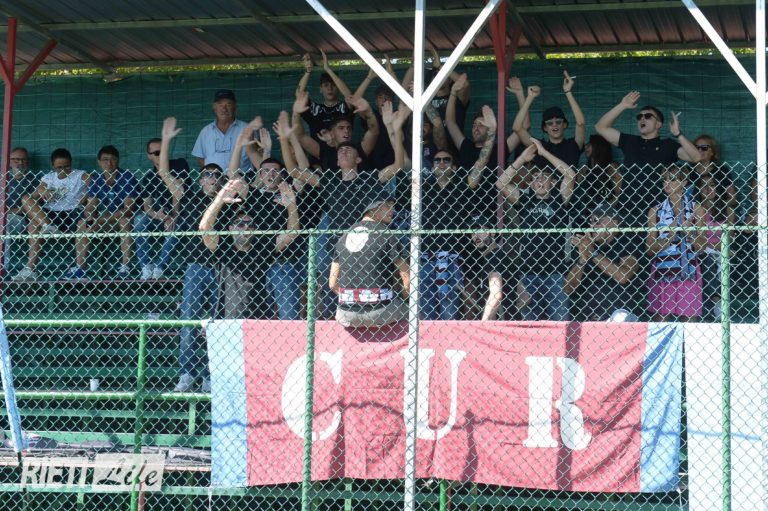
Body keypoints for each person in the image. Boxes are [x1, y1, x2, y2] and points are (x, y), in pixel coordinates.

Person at [496, 139, 576, 321]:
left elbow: (570, 175)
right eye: (535, 177)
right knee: (531, 325)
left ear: (553, 182)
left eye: (545, 176)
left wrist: (544, 152)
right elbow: (501, 183)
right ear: (531, 183)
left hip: (555, 273)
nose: (539, 180)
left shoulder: (559, 199)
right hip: (528, 272)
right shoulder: (525, 201)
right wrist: (522, 159)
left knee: (560, 322)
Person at [594, 91, 701, 226]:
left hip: (659, 210)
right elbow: (600, 127)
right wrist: (622, 105)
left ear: (658, 124)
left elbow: (696, 157)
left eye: (648, 116)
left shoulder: (668, 145)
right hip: (629, 209)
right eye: (639, 117)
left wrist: (678, 134)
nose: (642, 119)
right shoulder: (629, 141)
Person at [330, 198, 409, 328]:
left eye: (393, 206)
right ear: (372, 209)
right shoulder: (386, 234)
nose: (392, 210)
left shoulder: (343, 236)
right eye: (387, 206)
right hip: (381, 311)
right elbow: (407, 276)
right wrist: (404, 298)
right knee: (415, 312)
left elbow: (332, 284)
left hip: (345, 314)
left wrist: (357, 299)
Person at [646, 165, 707, 322]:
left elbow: (701, 248)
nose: (667, 183)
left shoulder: (696, 208)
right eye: (664, 180)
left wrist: (689, 232)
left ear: (684, 182)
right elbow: (650, 249)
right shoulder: (655, 210)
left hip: (689, 268)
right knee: (661, 320)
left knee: (689, 320)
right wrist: (670, 236)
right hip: (663, 267)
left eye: (672, 179)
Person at [18, 148, 89, 281]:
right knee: (27, 204)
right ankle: (30, 269)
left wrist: (86, 195)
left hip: (72, 212)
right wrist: (42, 190)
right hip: (50, 214)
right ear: (53, 166)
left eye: (67, 166)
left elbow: (96, 186)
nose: (63, 170)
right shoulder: (49, 177)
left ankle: (80, 268)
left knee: (83, 222)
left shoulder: (80, 175)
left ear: (71, 163)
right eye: (59, 167)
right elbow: (33, 196)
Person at [418, 149, 472, 320]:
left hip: (451, 258)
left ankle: (449, 337)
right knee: (426, 312)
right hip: (426, 257)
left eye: (446, 160)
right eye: (437, 160)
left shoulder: (461, 187)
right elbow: (405, 165)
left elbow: (479, 166)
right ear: (432, 167)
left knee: (449, 312)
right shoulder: (423, 188)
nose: (441, 163)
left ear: (454, 167)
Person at [565, 203, 642, 321]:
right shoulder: (585, 245)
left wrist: (593, 253)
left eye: (597, 221)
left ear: (614, 223)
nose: (592, 225)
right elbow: (568, 289)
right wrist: (582, 260)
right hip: (587, 316)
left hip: (618, 316)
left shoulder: (628, 243)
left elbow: (623, 276)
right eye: (591, 221)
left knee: (620, 317)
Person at [75, 145, 139, 280]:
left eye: (113, 159)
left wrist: (100, 220)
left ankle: (125, 268)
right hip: (108, 219)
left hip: (130, 219)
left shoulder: (127, 177)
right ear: (99, 162)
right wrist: (91, 219)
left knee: (124, 220)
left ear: (118, 161)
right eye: (105, 160)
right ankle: (80, 269)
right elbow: (90, 206)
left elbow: (128, 209)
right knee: (82, 223)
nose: (109, 163)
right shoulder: (97, 179)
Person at [134, 137, 190, 279]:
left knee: (176, 225)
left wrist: (173, 215)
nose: (162, 155)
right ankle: (146, 266)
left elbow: (177, 193)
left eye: (164, 151)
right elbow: (147, 205)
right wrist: (158, 215)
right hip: (163, 216)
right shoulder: (149, 177)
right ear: (149, 156)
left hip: (183, 214)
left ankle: (160, 267)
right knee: (140, 219)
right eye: (157, 153)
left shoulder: (179, 164)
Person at [445, 76, 500, 218]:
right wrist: (453, 93)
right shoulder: (466, 146)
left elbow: (520, 130)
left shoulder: (498, 149)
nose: (476, 128)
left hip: (490, 209)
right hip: (464, 208)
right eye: (474, 125)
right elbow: (450, 122)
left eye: (481, 125)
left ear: (490, 128)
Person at [512, 71, 586, 168]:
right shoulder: (539, 146)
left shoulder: (573, 145)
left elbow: (581, 123)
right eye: (550, 123)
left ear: (564, 124)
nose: (554, 124)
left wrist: (568, 92)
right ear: (545, 128)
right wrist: (530, 98)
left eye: (558, 121)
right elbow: (517, 128)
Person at [695, 171, 735, 321]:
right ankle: (717, 301)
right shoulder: (695, 209)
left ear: (718, 188)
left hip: (721, 253)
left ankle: (716, 302)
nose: (708, 189)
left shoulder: (728, 210)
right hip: (702, 253)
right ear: (698, 189)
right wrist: (707, 244)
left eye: (712, 185)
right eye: (704, 186)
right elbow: (695, 241)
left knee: (714, 259)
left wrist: (706, 242)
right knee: (707, 259)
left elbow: (728, 240)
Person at [462, 216, 516, 321]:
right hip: (507, 325)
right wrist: (511, 315)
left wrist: (484, 323)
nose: (476, 235)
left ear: (493, 233)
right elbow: (525, 298)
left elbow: (496, 295)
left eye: (480, 230)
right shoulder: (499, 256)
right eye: (473, 232)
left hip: (497, 327)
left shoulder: (493, 258)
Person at [568, 134, 622, 228]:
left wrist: (602, 210)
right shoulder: (585, 169)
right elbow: (572, 187)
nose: (586, 147)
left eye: (589, 145)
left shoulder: (611, 167)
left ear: (599, 147)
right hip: (587, 213)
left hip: (607, 213)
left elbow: (619, 194)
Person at [191, 89, 250, 172]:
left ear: (235, 107)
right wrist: (213, 173)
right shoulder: (206, 131)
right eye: (220, 104)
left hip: (241, 177)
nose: (224, 109)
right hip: (214, 178)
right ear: (214, 108)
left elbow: (256, 154)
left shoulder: (247, 129)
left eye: (228, 104)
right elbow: (200, 158)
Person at [296, 52, 350, 139]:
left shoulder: (343, 107)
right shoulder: (315, 109)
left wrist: (328, 69)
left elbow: (350, 97)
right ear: (320, 89)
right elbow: (299, 94)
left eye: (333, 85)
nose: (330, 88)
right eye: (326, 85)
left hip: (342, 148)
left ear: (338, 88)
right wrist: (308, 71)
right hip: (316, 148)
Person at [5, 147, 35, 278]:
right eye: (16, 159)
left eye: (23, 160)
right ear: (9, 161)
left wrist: (9, 211)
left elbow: (33, 205)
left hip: (20, 218)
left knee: (3, 225)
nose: (20, 163)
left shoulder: (34, 179)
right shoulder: (4, 178)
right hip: (4, 215)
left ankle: (2, 267)